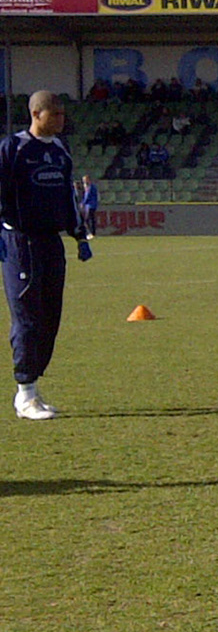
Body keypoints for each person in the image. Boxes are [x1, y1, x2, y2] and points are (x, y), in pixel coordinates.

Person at [1, 90, 91, 418]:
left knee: (50, 317)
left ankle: (32, 389)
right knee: (27, 315)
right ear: (37, 114)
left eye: (63, 115)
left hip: (51, 242)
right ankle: (25, 394)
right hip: (20, 242)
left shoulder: (60, 150)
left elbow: (67, 194)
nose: (61, 121)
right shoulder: (14, 148)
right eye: (55, 115)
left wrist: (79, 235)